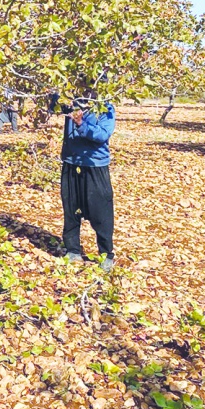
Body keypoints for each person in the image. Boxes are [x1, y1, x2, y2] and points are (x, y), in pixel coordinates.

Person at [60, 81, 116, 272]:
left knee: (101, 212)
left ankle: (106, 254)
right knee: (71, 209)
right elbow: (52, 106)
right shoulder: (71, 103)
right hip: (71, 162)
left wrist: (81, 124)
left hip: (95, 164)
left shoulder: (106, 107)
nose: (86, 90)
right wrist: (54, 91)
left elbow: (102, 135)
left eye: (91, 86)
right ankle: (72, 250)